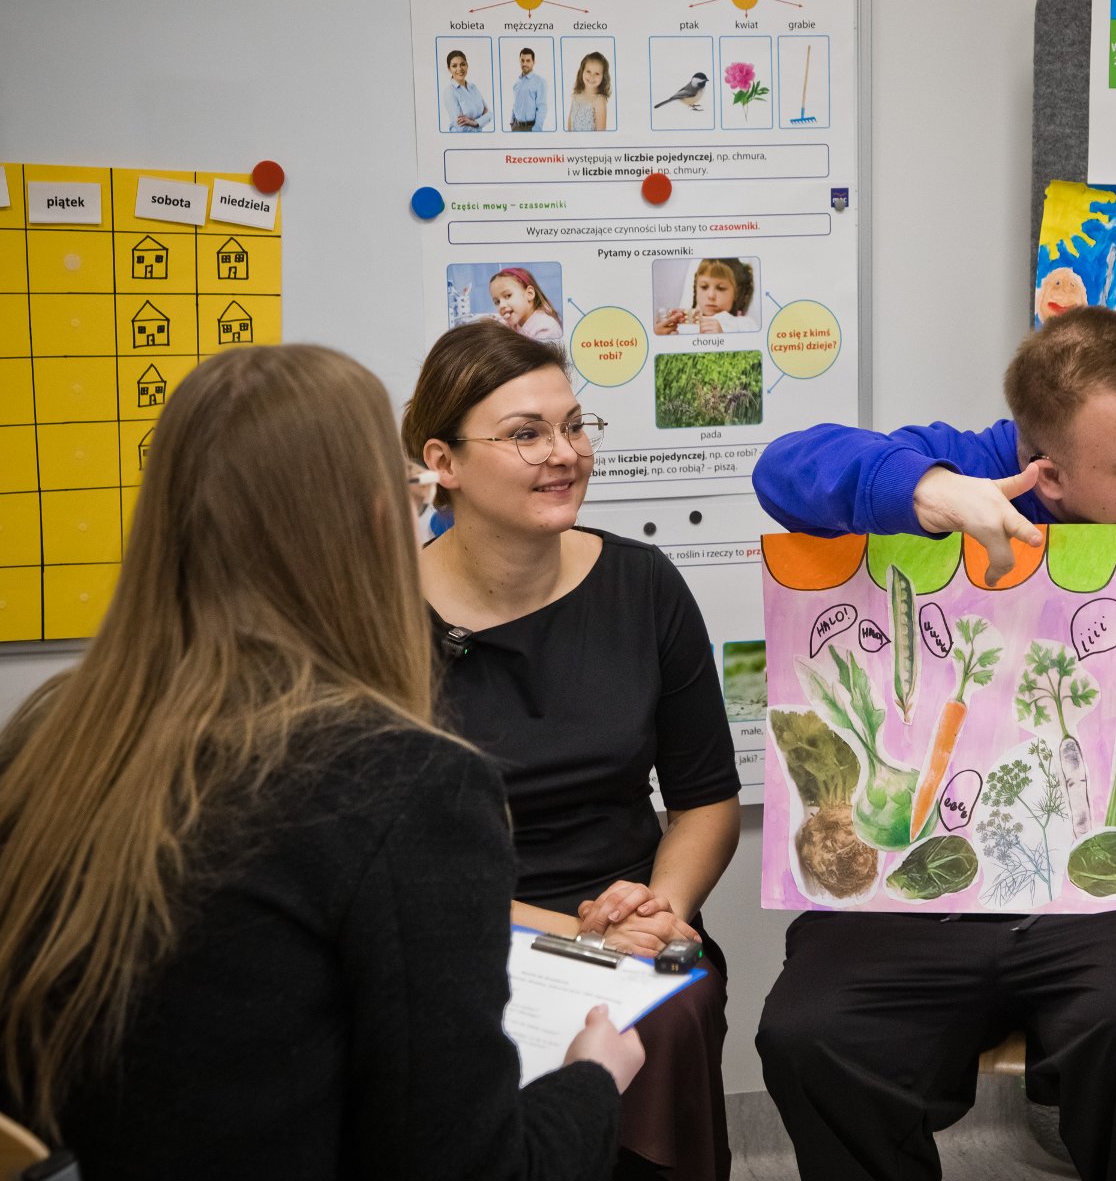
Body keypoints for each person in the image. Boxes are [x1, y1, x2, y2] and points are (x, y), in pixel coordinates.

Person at [0, 345, 642, 1179]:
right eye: (414, 496)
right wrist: (593, 1078)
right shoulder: (405, 786)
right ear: (378, 520)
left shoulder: (54, 738)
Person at [750, 304, 1116, 1181]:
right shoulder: (977, 465)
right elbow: (784, 467)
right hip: (930, 888)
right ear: (1047, 477)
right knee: (809, 1032)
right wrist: (926, 492)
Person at [404, 322, 740, 1181]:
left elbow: (705, 800)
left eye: (575, 426)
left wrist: (659, 913)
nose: (565, 454)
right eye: (526, 435)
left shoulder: (644, 585)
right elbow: (396, 869)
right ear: (442, 461)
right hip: (455, 929)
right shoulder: (382, 620)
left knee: (676, 1001)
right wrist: (579, 937)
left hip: (631, 913)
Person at [654, 258, 756, 335]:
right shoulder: (681, 323)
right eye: (704, 287)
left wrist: (723, 337)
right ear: (696, 290)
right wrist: (658, 334)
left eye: (720, 288)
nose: (711, 295)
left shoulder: (743, 324)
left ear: (736, 293)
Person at [491, 266, 563, 342]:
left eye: (508, 295)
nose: (501, 305)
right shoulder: (514, 323)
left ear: (529, 294)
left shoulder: (545, 329)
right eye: (497, 302)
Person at [443, 49, 491, 132]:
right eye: (454, 66)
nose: (459, 69)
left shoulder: (473, 87)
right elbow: (461, 127)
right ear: (449, 69)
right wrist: (481, 122)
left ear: (467, 65)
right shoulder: (449, 92)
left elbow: (489, 114)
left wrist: (473, 123)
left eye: (462, 64)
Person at [568, 50, 611, 131]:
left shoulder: (599, 101)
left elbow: (601, 133)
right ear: (582, 72)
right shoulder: (576, 95)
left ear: (603, 77)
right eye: (588, 71)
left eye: (597, 73)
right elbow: (569, 124)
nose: (592, 77)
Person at [511, 46, 549, 131]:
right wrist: (512, 122)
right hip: (516, 128)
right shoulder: (517, 82)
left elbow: (542, 107)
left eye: (528, 61)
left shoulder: (540, 82)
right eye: (522, 60)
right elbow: (515, 104)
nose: (524, 63)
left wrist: (536, 129)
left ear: (533, 62)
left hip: (531, 128)